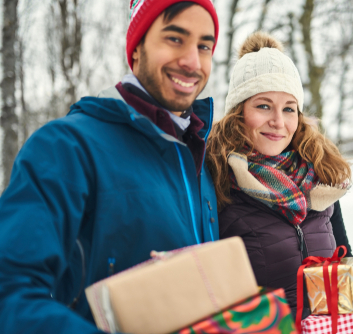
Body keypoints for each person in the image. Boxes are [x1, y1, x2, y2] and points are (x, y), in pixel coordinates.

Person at [0, 1, 219, 333]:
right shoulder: (65, 147)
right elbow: (11, 294)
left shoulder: (199, 154)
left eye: (204, 45)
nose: (192, 61)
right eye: (175, 38)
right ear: (136, 50)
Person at [206, 32, 353, 319]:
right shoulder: (216, 179)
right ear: (238, 112)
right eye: (263, 105)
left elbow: (345, 257)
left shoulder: (319, 179)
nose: (278, 122)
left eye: (289, 109)